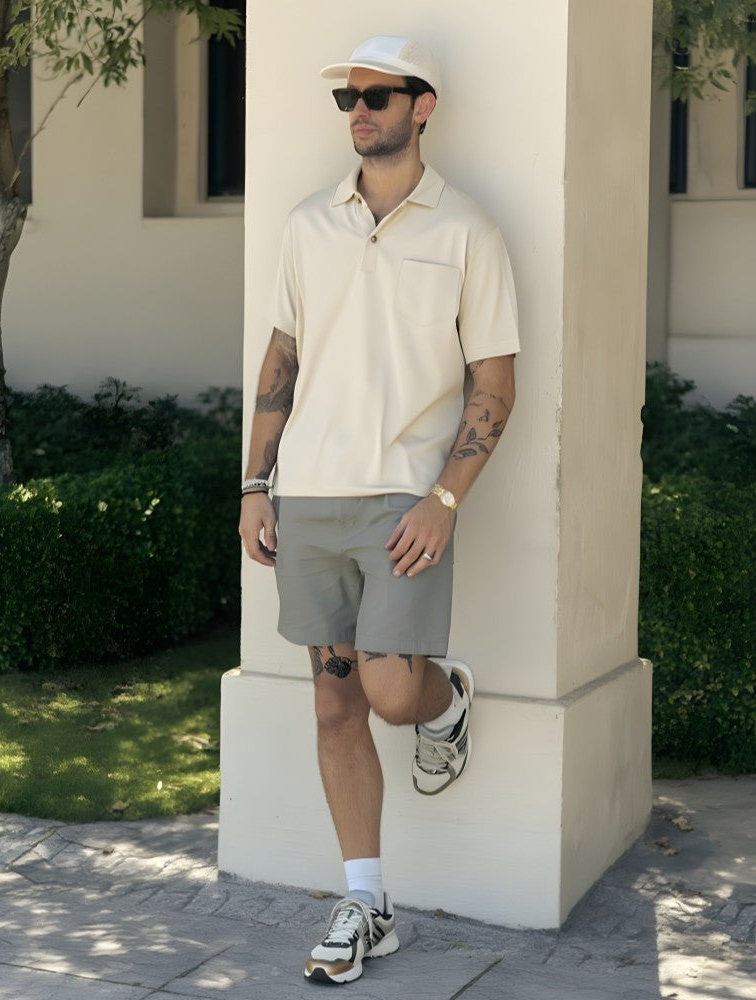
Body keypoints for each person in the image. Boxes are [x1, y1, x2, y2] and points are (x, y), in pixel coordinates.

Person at [239, 34, 519, 986]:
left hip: (406, 497)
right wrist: (255, 485)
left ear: (421, 106)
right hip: (309, 498)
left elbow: (494, 384)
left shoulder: (469, 231)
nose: (358, 112)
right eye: (348, 99)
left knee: (393, 695)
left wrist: (446, 500)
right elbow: (280, 362)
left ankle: (447, 702)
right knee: (332, 702)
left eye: (377, 96)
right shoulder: (307, 225)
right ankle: (367, 903)